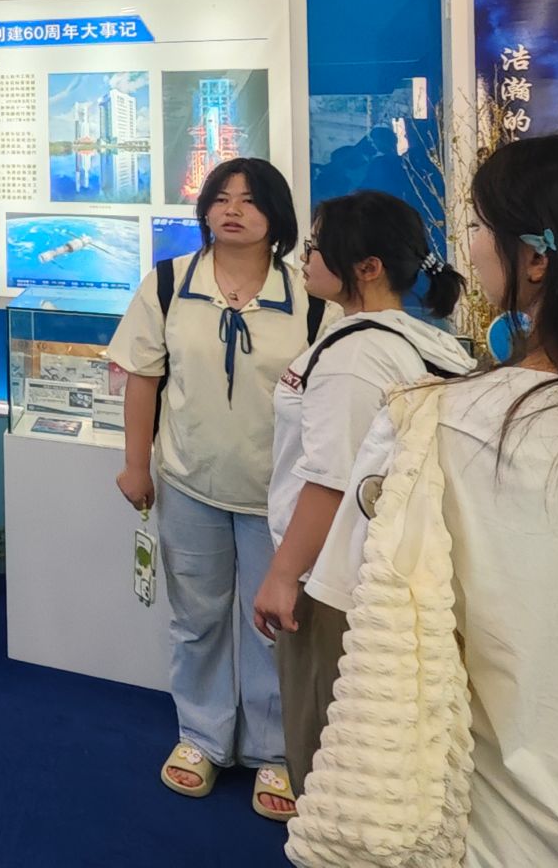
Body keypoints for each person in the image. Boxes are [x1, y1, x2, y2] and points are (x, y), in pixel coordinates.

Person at [302, 132, 558, 865]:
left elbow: (361, 609)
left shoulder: (435, 423)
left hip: (493, 819)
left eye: (481, 225)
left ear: (536, 258)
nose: (472, 245)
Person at [109, 157, 332, 820]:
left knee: (274, 627)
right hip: (189, 484)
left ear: (277, 217)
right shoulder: (169, 283)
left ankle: (273, 750)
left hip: (278, 497)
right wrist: (136, 464)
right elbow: (143, 376)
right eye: (221, 198)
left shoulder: (313, 302)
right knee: (196, 618)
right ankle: (202, 736)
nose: (232, 209)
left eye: (250, 200)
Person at [250, 190, 473, 794]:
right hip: (384, 569)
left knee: (323, 745)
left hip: (331, 578)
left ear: (368, 267)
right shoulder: (423, 340)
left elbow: (331, 480)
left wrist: (282, 576)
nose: (305, 258)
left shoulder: (354, 355)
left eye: (317, 247)